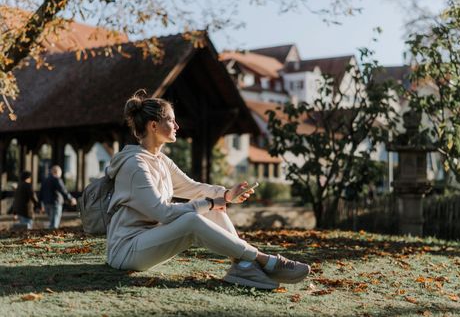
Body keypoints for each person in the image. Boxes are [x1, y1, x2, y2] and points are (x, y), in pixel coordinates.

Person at [106, 89, 310, 289]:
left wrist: (226, 195)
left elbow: (193, 188)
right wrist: (209, 203)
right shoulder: (135, 165)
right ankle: (263, 259)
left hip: (149, 240)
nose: (177, 125)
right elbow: (163, 213)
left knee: (209, 209)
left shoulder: (160, 161)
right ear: (153, 126)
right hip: (126, 251)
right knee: (193, 217)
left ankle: (243, 265)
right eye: (170, 120)